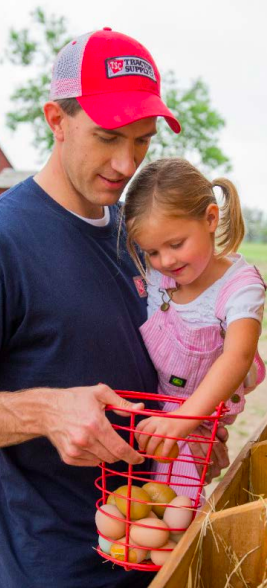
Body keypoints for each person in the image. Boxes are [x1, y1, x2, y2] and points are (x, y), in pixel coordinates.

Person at [0, 28, 228, 588]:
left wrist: (191, 421)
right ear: (56, 119)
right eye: (107, 136)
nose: (128, 163)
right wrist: (44, 412)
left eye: (143, 140)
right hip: (55, 571)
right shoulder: (8, 239)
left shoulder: (139, 236)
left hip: (154, 555)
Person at [123, 157, 266, 501]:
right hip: (157, 409)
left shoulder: (240, 287)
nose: (166, 261)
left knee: (177, 508)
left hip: (197, 420)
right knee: (145, 501)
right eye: (153, 251)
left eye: (176, 244)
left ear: (211, 218)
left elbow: (237, 356)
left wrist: (185, 420)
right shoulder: (158, 275)